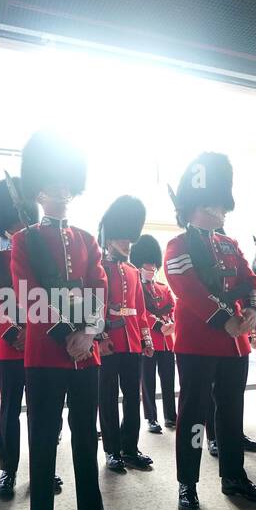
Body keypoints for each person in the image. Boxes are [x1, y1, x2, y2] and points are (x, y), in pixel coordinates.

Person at [10, 131, 133, 510]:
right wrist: (69, 334)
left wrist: (91, 330)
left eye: (65, 183)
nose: (60, 191)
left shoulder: (85, 239)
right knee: (44, 439)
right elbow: (28, 294)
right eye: (51, 184)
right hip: (45, 355)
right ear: (38, 191)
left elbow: (99, 286)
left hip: (88, 355)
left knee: (87, 436)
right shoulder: (25, 240)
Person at [163, 152, 256, 510]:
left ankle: (234, 476)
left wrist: (253, 310)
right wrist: (223, 317)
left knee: (231, 412)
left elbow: (249, 279)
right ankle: (188, 483)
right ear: (202, 206)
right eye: (217, 206)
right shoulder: (178, 245)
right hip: (198, 340)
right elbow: (188, 288)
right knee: (193, 415)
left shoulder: (229, 244)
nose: (223, 213)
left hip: (234, 342)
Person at [0, 177, 62, 500]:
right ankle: (8, 470)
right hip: (12, 349)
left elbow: (55, 297)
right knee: (9, 412)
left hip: (43, 347)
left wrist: (37, 329)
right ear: (3, 229)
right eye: (12, 226)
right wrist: (13, 332)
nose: (18, 230)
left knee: (44, 414)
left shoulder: (45, 258)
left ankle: (44, 469)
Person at [97, 195, 154, 473]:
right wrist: (100, 337)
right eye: (121, 239)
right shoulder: (99, 269)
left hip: (132, 343)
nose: (127, 244)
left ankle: (130, 447)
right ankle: (111, 449)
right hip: (108, 343)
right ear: (108, 240)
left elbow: (140, 310)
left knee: (134, 397)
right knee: (107, 398)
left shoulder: (131, 271)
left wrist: (146, 338)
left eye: (129, 240)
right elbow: (94, 308)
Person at [131, 233, 177, 434]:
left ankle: (171, 415)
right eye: (147, 266)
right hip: (149, 338)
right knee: (148, 382)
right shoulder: (136, 288)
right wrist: (158, 325)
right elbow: (140, 312)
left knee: (168, 379)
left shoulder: (163, 288)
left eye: (153, 266)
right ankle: (151, 417)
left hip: (167, 340)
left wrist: (172, 322)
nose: (151, 270)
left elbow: (173, 307)